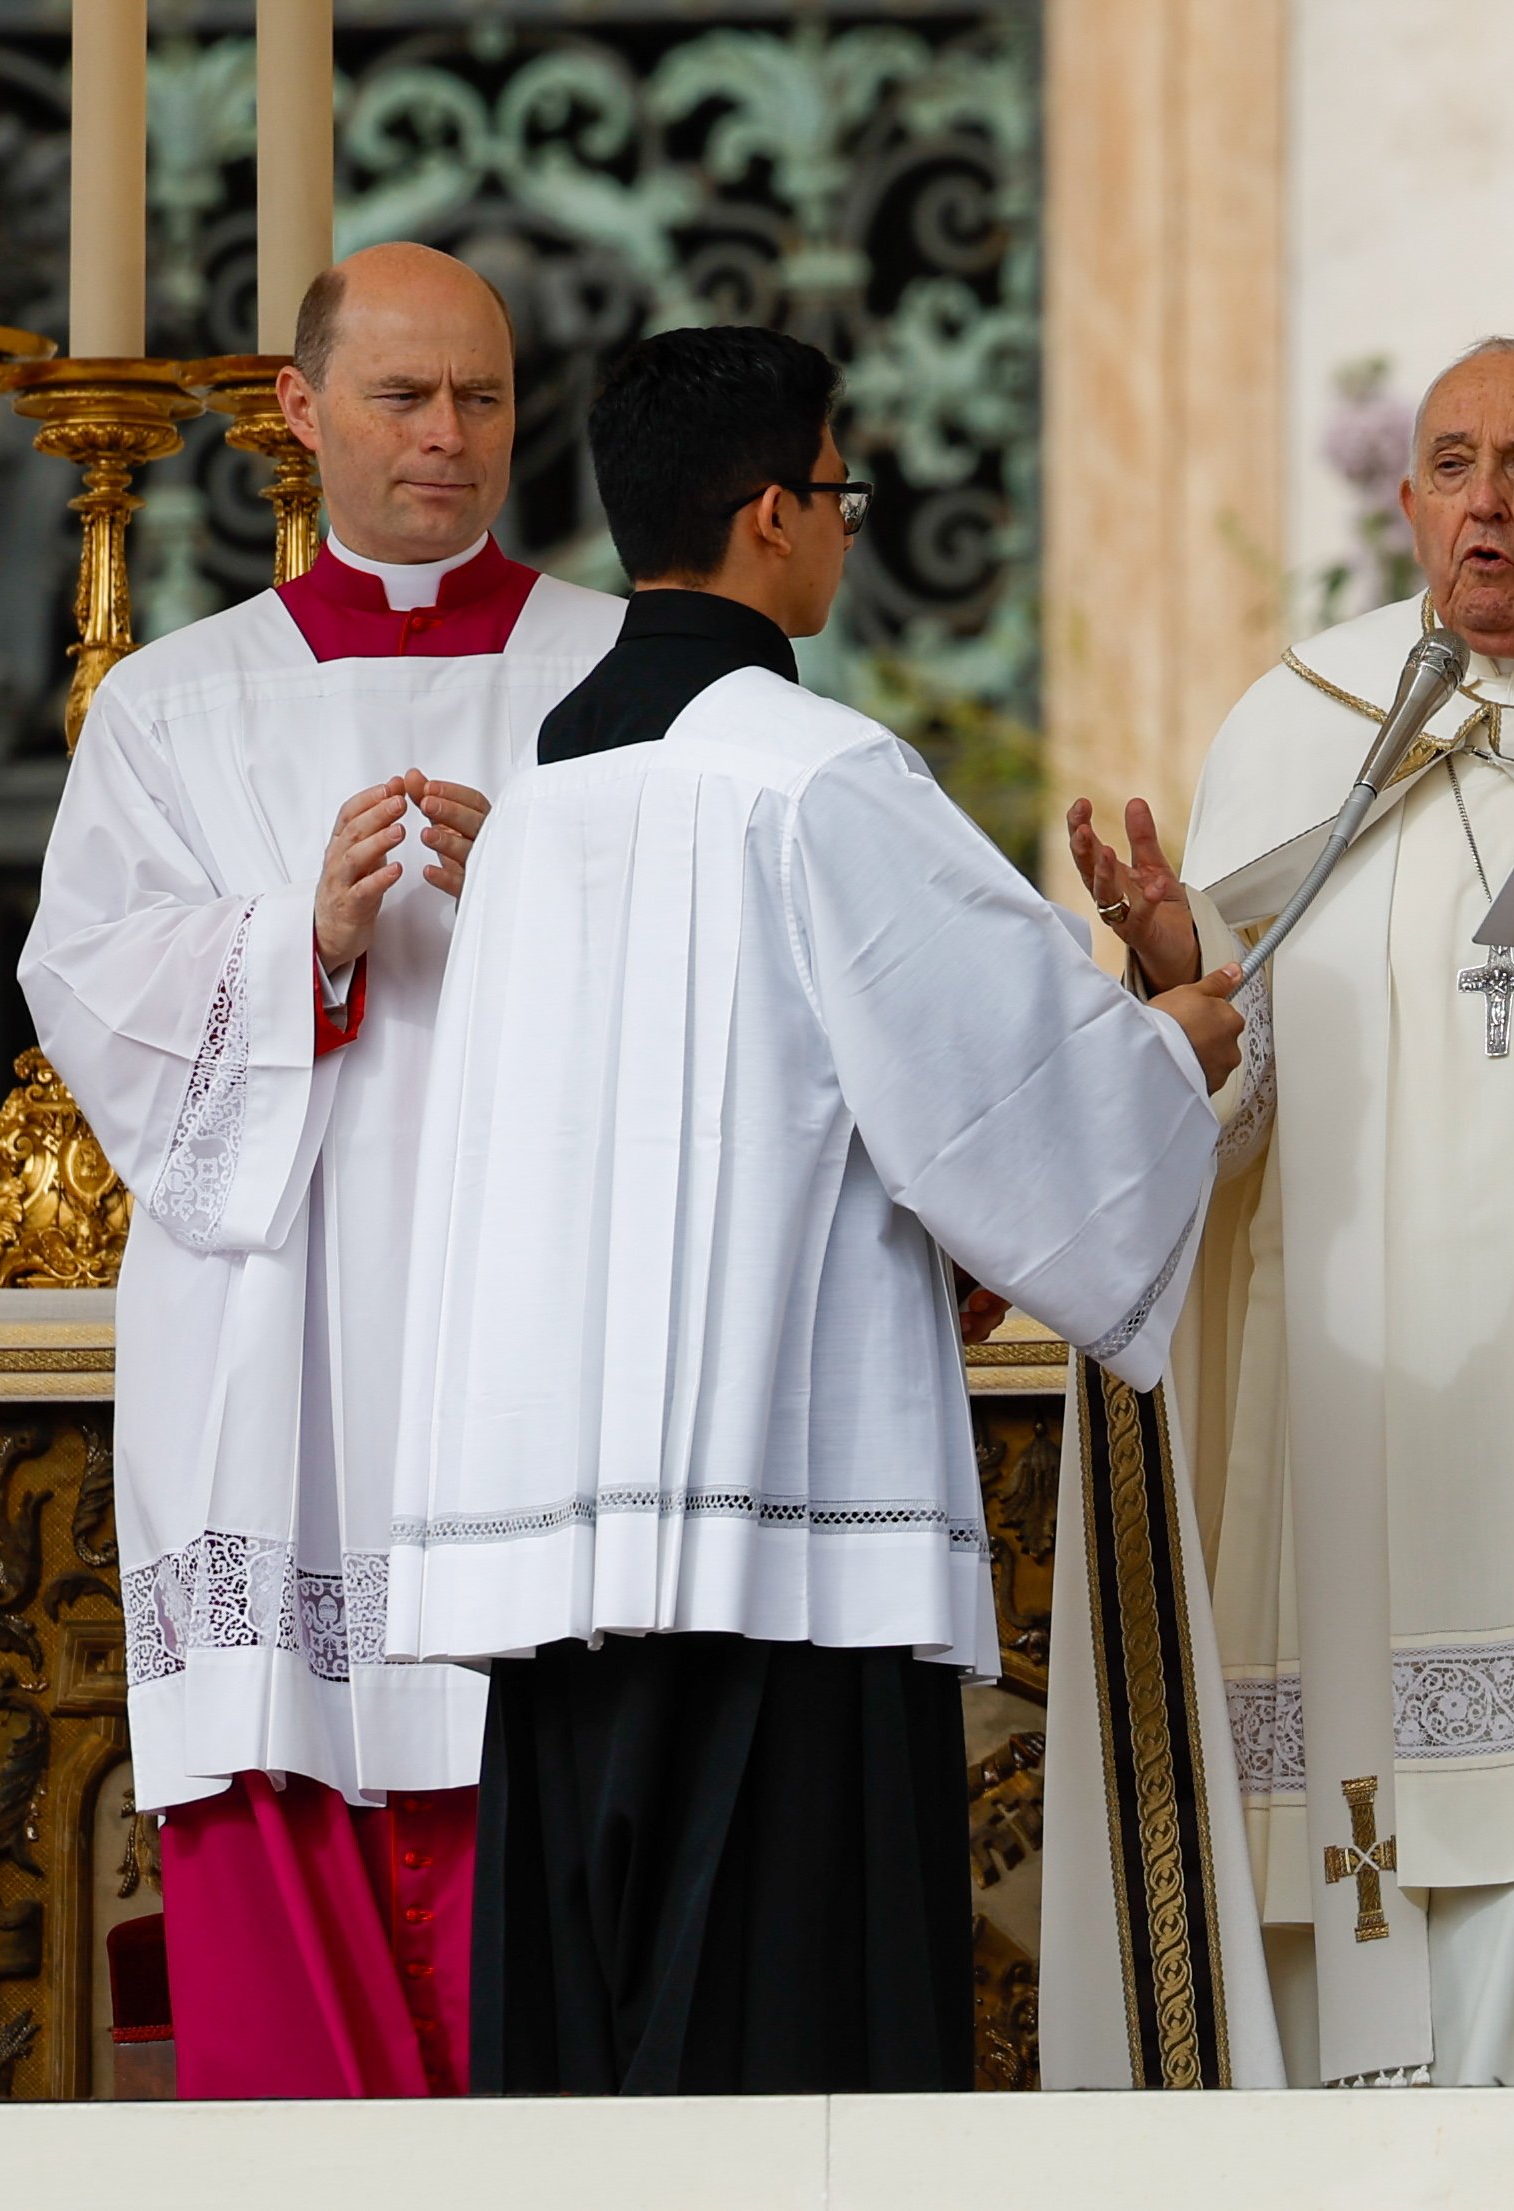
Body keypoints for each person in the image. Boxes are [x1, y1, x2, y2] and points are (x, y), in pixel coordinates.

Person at [381, 325, 1243, 2096]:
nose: (848, 527)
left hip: (561, 1550)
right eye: (842, 492)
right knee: (790, 2059)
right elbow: (1012, 1092)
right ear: (773, 512)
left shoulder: (542, 804)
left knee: (591, 2058)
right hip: (778, 1550)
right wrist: (1182, 1037)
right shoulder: (816, 773)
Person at [1040, 338, 1514, 2089]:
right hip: (1373, 1378)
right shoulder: (1303, 726)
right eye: (1450, 467)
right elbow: (1244, 1102)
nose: (1483, 507)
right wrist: (1193, 976)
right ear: (1407, 499)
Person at [21, 243, 616, 2099]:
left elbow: (714, 1006)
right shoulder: (178, 706)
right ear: (299, 412)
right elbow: (86, 990)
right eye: (403, 396)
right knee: (293, 1780)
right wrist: (305, 941)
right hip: (282, 1353)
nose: (449, 439)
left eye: (486, 399)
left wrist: (543, 902)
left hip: (538, 1344)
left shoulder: (615, 679)